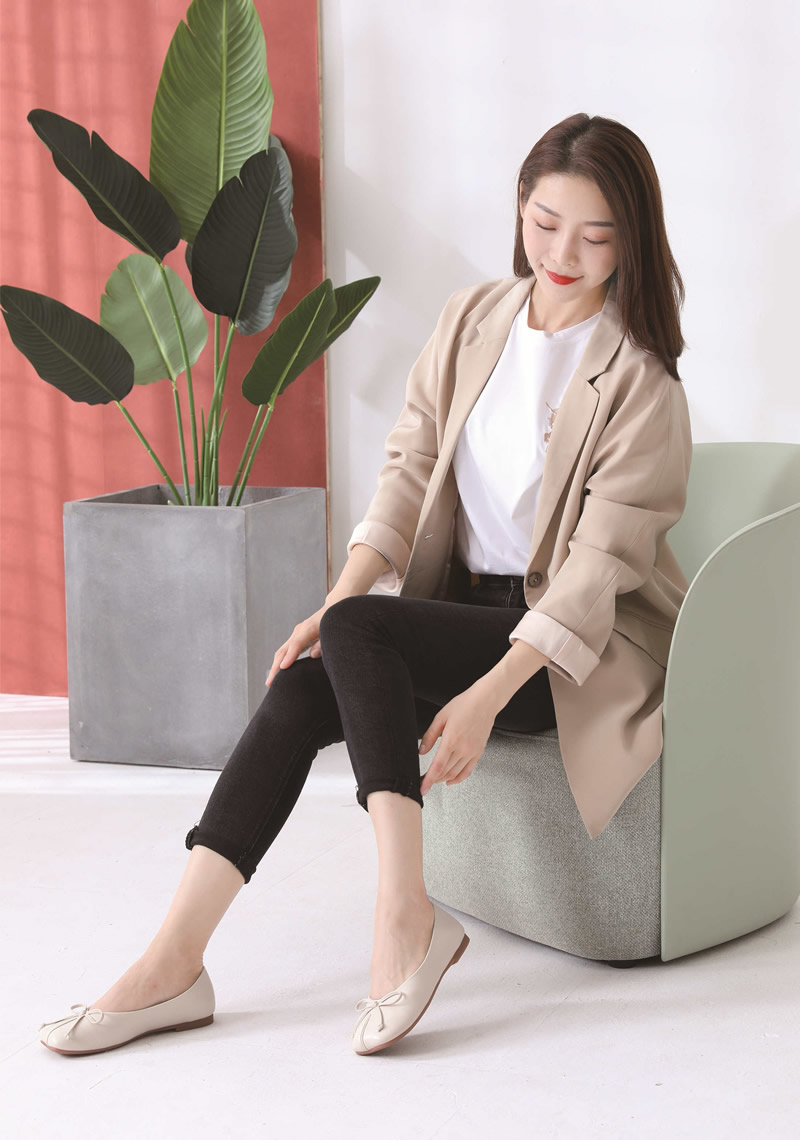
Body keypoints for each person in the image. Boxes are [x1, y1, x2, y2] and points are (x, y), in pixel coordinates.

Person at [38, 112, 692, 1058]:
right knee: (310, 676)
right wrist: (337, 596)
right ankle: (173, 961)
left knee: (362, 631)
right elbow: (409, 467)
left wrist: (484, 697)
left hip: (570, 652)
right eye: (546, 223)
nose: (562, 254)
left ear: (631, 240)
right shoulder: (474, 319)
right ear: (520, 204)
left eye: (596, 236)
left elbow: (594, 577)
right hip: (463, 611)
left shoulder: (643, 380)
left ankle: (401, 912)